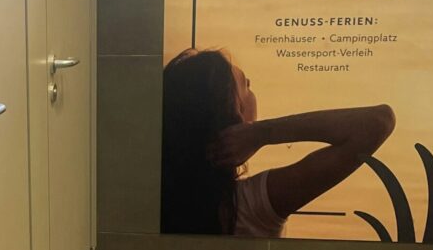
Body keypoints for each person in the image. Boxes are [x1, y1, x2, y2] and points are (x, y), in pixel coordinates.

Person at [160, 48, 395, 237]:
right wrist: (261, 133)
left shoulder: (158, 197)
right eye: (245, 85)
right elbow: (378, 121)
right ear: (235, 117)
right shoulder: (249, 207)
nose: (251, 86)